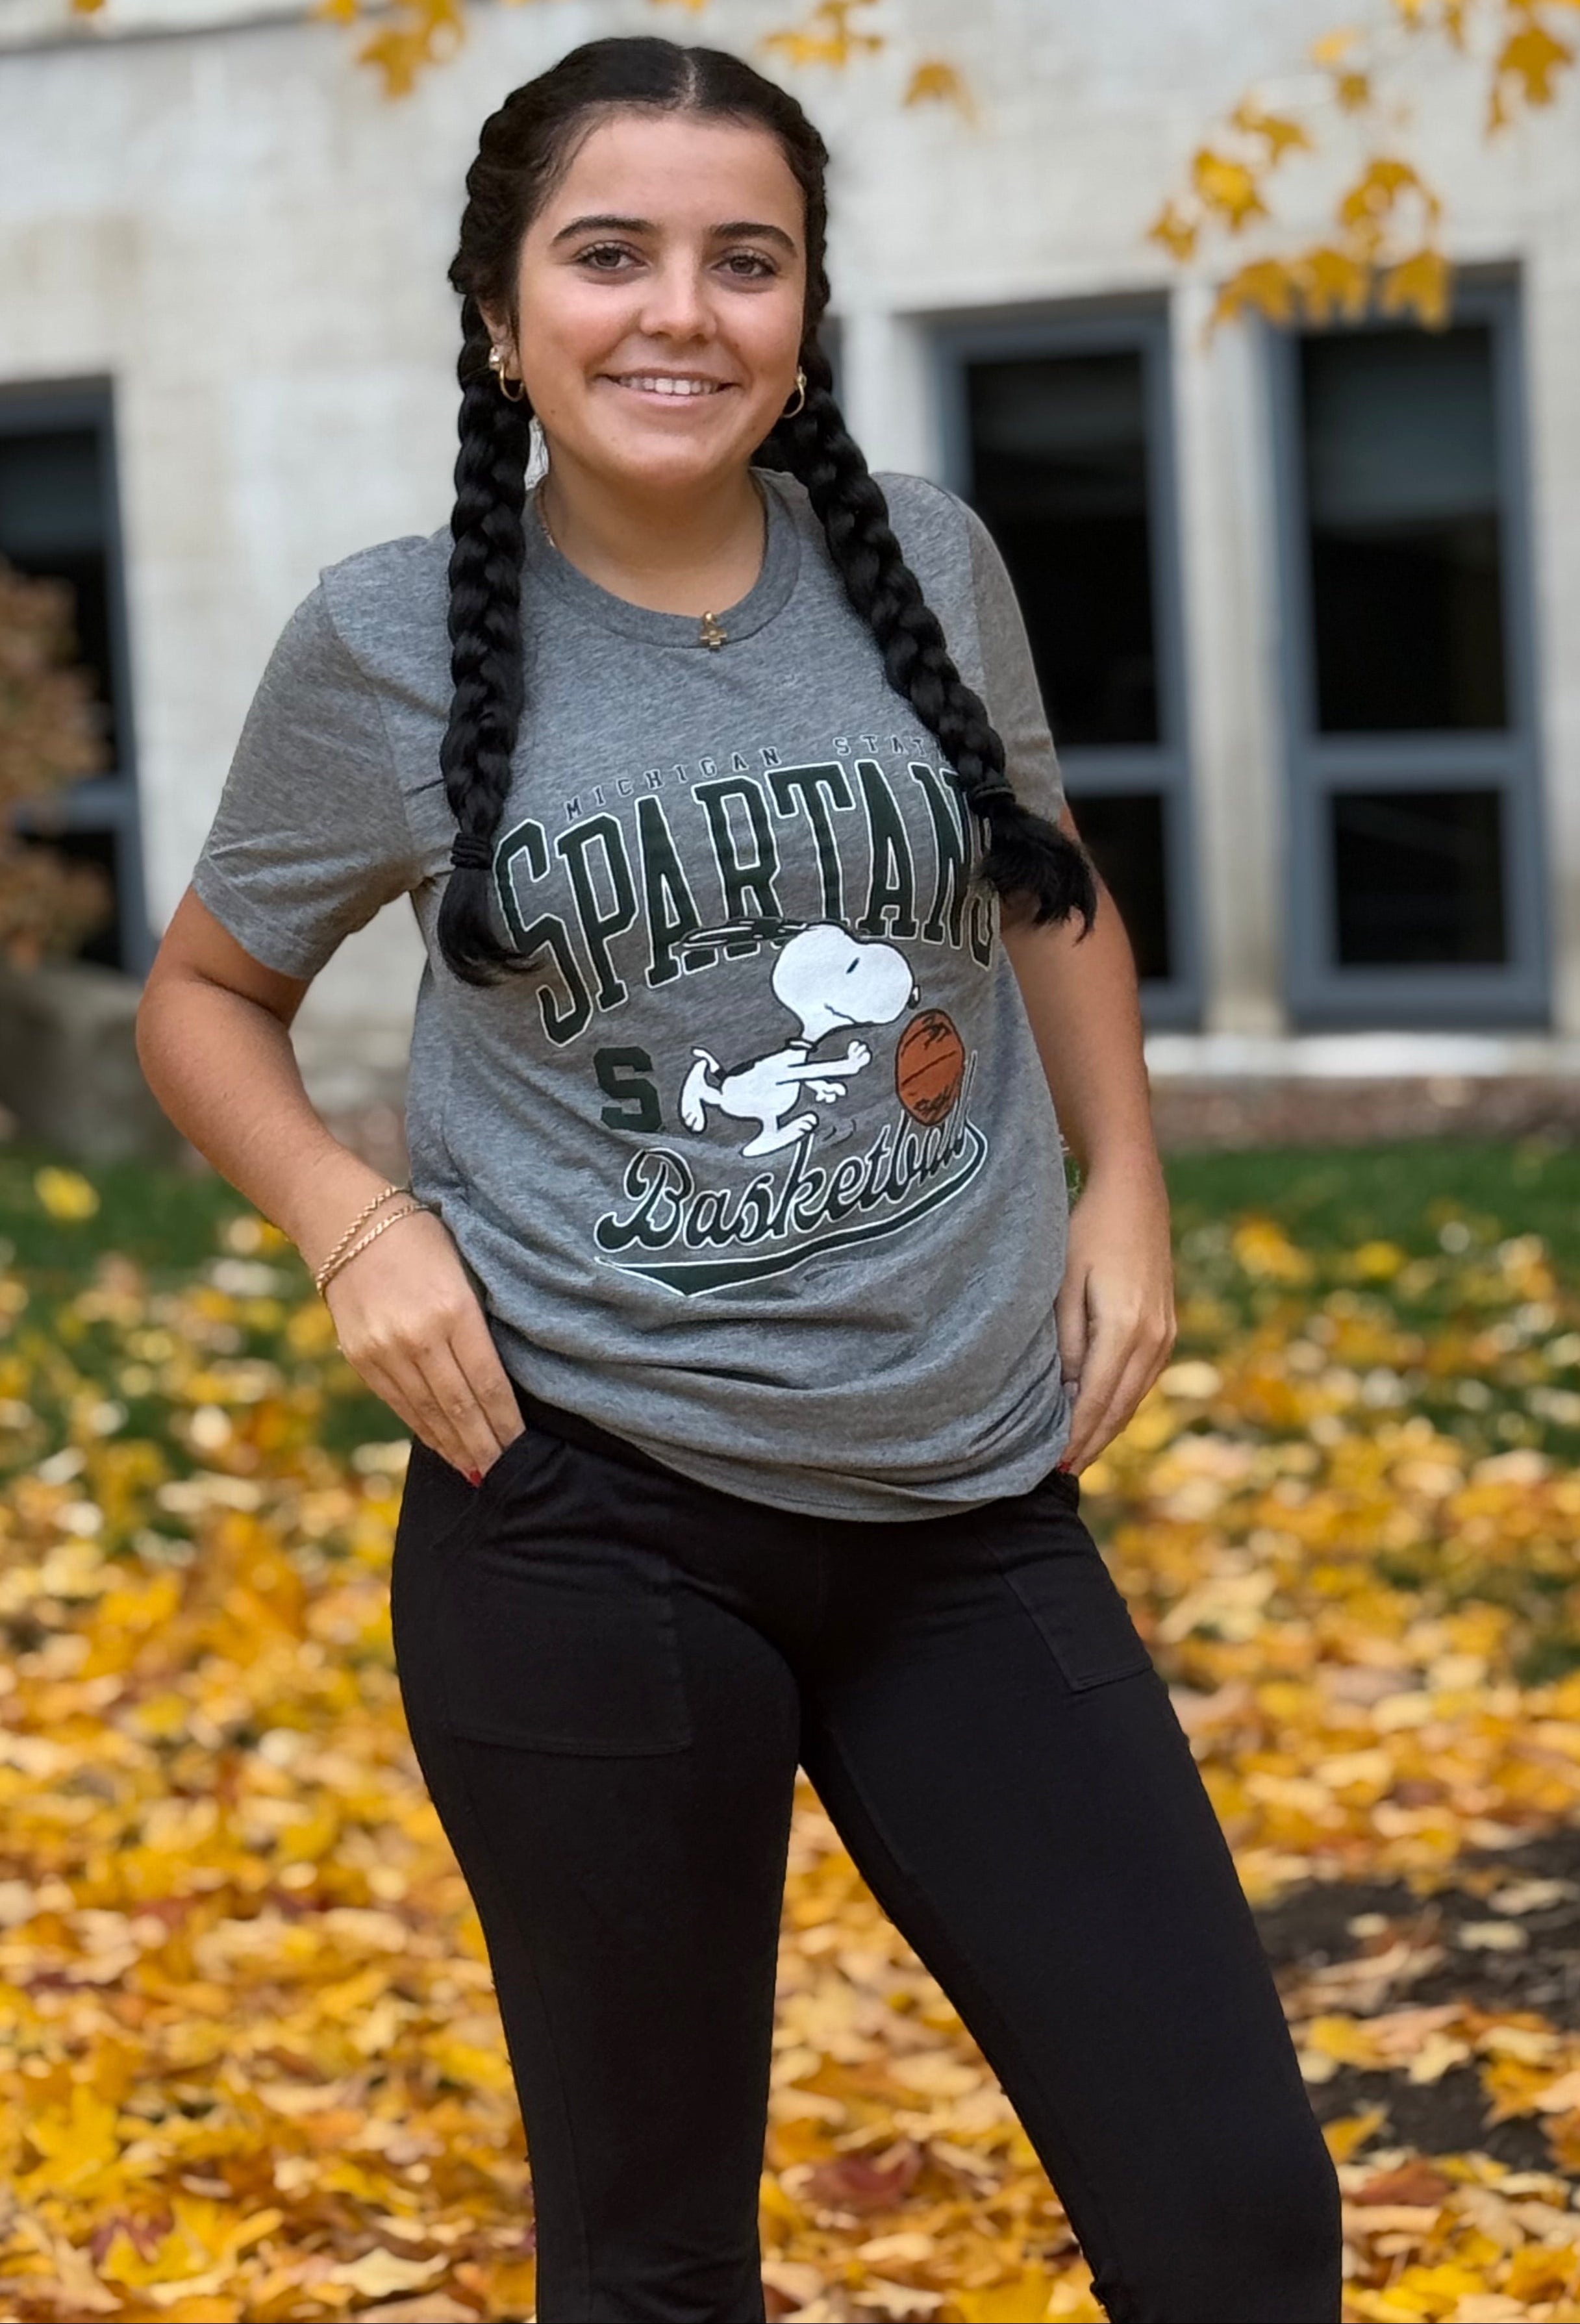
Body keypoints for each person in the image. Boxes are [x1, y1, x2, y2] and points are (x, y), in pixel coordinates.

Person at [137, 34, 1341, 2323]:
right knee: (655, 2260)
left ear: (802, 312)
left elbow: (1045, 874)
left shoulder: (931, 571)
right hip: (584, 1512)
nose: (678, 311)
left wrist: (1127, 1190)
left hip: (967, 1504)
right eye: (610, 255)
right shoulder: (382, 643)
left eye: (743, 260)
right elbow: (205, 996)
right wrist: (356, 1223)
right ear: (501, 310)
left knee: (1238, 2226)